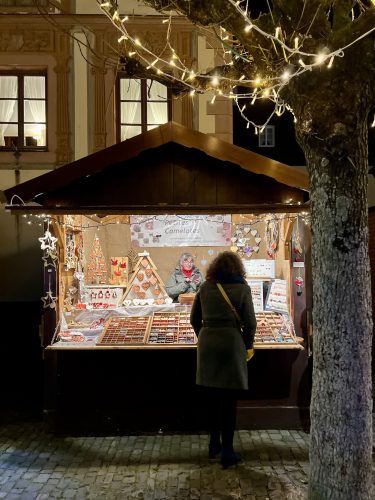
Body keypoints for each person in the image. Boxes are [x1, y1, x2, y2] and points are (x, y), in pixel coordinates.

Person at [190, 251, 256, 469]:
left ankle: (213, 443)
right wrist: (246, 344)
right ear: (238, 268)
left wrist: (205, 334)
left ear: (214, 268)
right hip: (231, 344)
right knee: (229, 400)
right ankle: (227, 450)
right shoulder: (243, 288)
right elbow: (250, 323)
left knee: (212, 398)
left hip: (208, 344)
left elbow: (193, 318)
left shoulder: (205, 287)